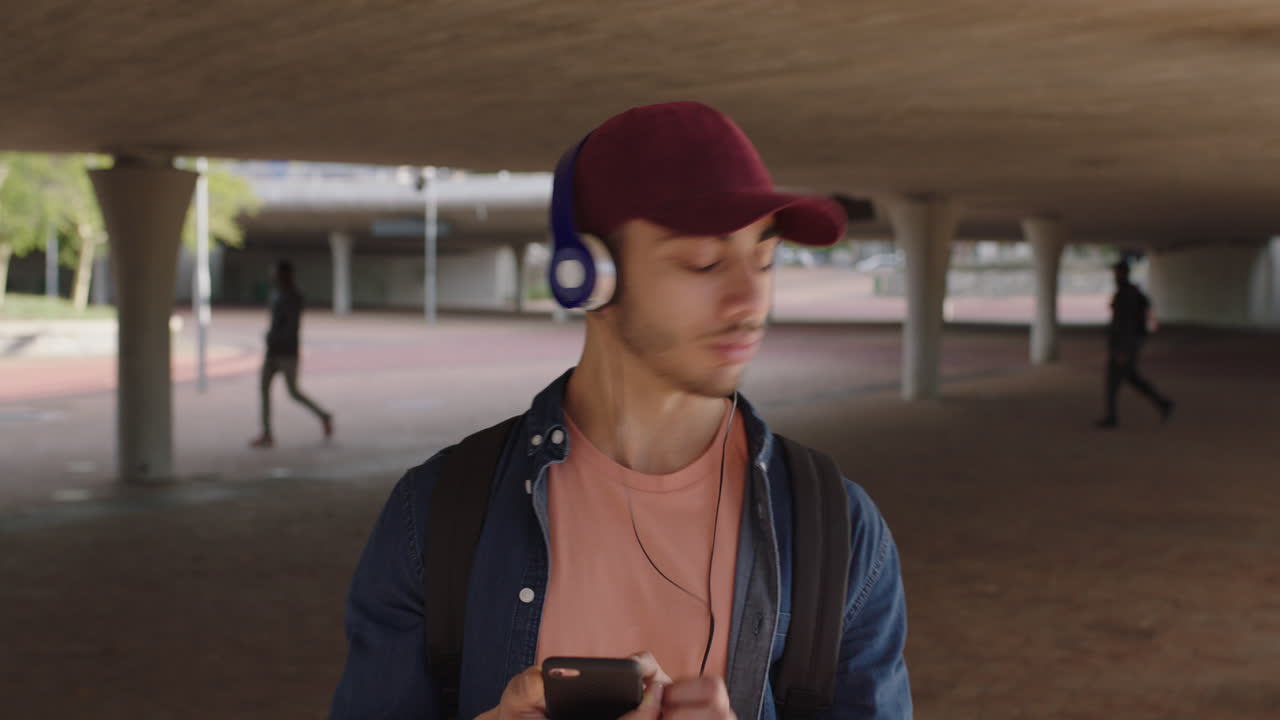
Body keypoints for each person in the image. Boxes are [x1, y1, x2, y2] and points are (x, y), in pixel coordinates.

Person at [330, 102, 911, 719]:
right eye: (704, 261)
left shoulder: (839, 533)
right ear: (586, 274)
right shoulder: (437, 514)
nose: (751, 300)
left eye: (765, 259)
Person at [249, 260, 333, 448]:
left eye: (276, 273)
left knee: (293, 392)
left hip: (287, 353)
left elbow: (290, 327)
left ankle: (323, 415)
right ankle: (267, 433)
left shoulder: (294, 297)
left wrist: (275, 338)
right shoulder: (277, 295)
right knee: (264, 390)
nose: (273, 277)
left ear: (284, 275)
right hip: (273, 351)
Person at [1097, 260, 1174, 429]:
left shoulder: (1127, 294)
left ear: (1122, 273)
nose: (1114, 276)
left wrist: (1122, 349)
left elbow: (1126, 324)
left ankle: (1112, 417)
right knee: (1132, 379)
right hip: (1125, 345)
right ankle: (1162, 403)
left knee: (1114, 381)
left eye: (1116, 273)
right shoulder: (1130, 292)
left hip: (1124, 346)